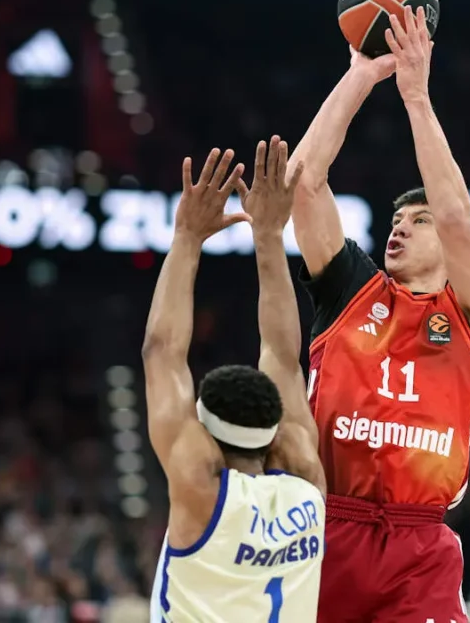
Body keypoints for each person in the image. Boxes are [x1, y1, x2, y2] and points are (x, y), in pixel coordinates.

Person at [287, 6, 470, 622]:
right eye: (394, 222)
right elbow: (303, 182)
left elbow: (459, 218)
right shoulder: (351, 289)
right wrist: (360, 75)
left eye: (418, 222)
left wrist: (416, 96)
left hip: (419, 545)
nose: (399, 231)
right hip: (328, 528)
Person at [144, 138, 327, 622]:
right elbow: (284, 359)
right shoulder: (307, 480)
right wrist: (269, 235)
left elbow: (162, 352)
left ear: (204, 428)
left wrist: (186, 236)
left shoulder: (199, 487)